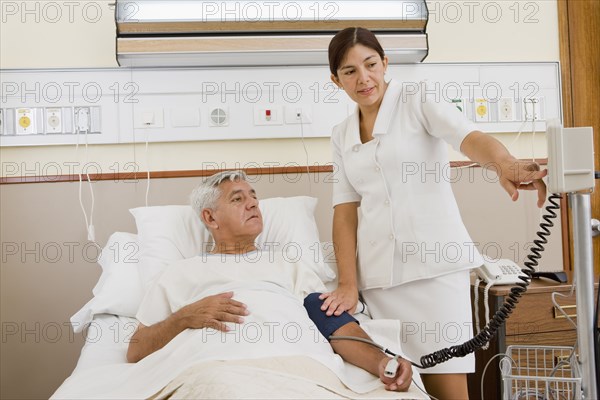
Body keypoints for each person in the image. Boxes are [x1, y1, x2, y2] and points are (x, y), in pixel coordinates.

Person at [319, 27, 548, 399]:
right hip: (378, 282)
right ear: (336, 80)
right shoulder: (341, 133)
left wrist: (504, 163)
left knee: (448, 390)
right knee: (394, 389)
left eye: (371, 64)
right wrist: (348, 283)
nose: (364, 78)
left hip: (435, 272)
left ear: (385, 63)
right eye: (349, 71)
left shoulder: (416, 99)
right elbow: (344, 209)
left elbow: (468, 136)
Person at [126, 170, 413, 393]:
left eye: (253, 197)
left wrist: (381, 363)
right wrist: (185, 318)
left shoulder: (289, 264)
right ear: (210, 217)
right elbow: (137, 349)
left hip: (301, 366)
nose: (253, 203)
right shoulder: (179, 274)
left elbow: (333, 322)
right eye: (238, 199)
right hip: (216, 368)